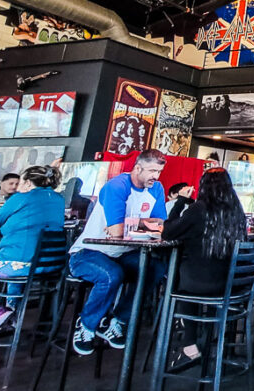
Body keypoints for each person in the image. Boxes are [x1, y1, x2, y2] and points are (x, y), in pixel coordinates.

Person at [68, 151, 168, 356]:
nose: (155, 176)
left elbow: (160, 226)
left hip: (123, 253)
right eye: (152, 171)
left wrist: (131, 224)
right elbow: (116, 231)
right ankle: (86, 325)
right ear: (138, 168)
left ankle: (118, 320)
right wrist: (141, 225)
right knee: (111, 275)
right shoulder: (117, 186)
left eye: (158, 171)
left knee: (155, 269)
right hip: (89, 251)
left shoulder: (156, 188)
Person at [0, 165, 66, 340]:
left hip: (19, 266)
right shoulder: (58, 199)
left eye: (21, 181)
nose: (18, 186)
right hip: (48, 266)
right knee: (8, 268)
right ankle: (11, 315)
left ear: (28, 183)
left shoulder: (20, 198)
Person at [162, 167, 247, 362]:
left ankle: (190, 343)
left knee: (179, 278)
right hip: (230, 286)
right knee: (190, 274)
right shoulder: (237, 211)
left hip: (199, 285)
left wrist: (180, 201)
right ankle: (209, 340)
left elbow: (167, 233)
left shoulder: (199, 209)